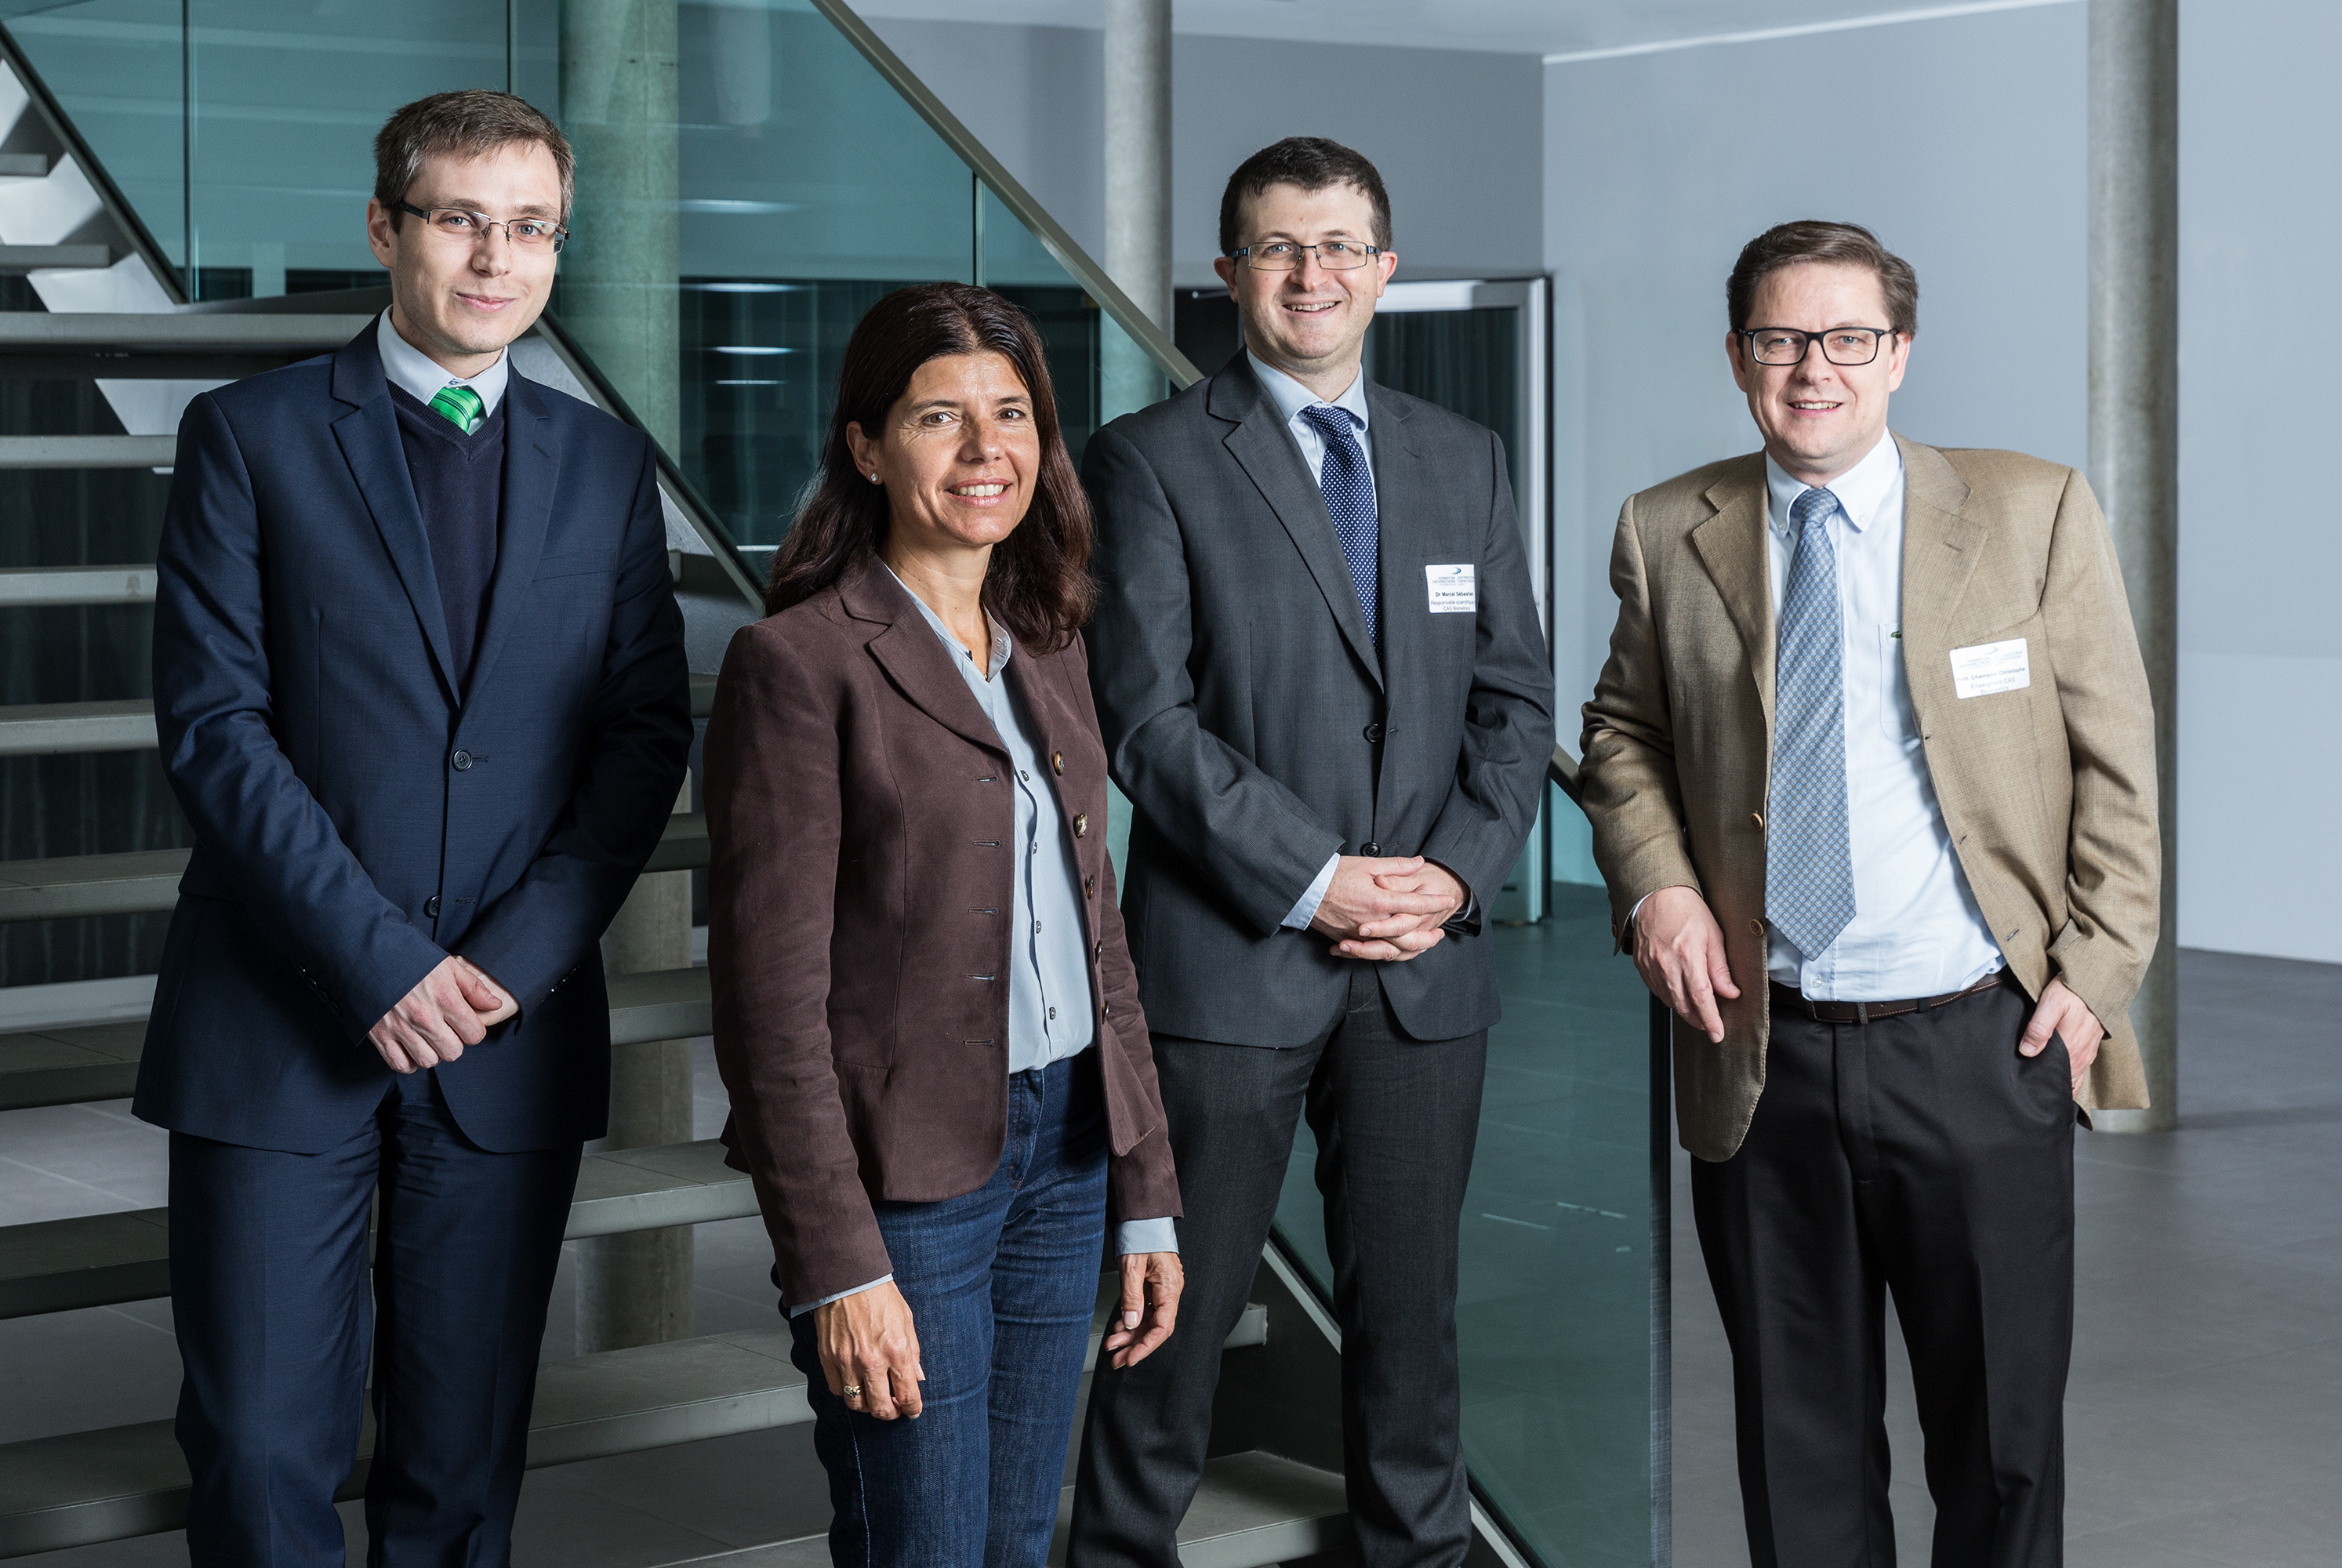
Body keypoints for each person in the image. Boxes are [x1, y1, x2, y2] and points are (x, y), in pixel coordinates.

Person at [136, 89, 692, 1564]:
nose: (496, 258)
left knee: (461, 1467)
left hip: (507, 1025)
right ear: (386, 227)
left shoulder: (604, 464)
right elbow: (215, 729)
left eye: (532, 228)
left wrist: (510, 960)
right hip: (279, 1016)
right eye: (461, 219)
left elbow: (643, 737)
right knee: (262, 1451)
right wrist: (380, 962)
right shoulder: (248, 436)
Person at [1578, 220, 2159, 1566]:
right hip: (1761, 1050)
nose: (1814, 370)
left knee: (2002, 1447)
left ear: (1899, 354)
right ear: (1738, 358)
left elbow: (2118, 765)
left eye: (1848, 338)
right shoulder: (1668, 528)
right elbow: (1623, 735)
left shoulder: (2030, 511)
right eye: (1782, 339)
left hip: (1981, 1042)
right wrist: (1658, 887)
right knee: (1801, 1460)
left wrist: (2092, 978)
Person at [1068, 138, 1556, 1568]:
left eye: (1340, 246)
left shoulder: (1463, 457)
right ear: (1230, 273)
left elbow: (1516, 700)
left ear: (1384, 270)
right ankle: (1121, 1552)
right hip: (1230, 966)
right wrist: (1316, 880)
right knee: (1175, 1308)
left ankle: (1420, 1555)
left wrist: (1452, 877)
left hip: (1422, 968)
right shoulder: (1149, 460)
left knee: (1412, 1315)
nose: (1312, 274)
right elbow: (1144, 720)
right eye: (1280, 247)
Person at [705, 281, 1182, 1568]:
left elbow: (1098, 932)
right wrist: (837, 1267)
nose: (987, 450)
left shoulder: (1049, 640)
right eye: (939, 417)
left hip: (1067, 1149)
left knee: (1016, 1543)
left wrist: (1146, 1189)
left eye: (1011, 413)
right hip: (904, 1181)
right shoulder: (799, 665)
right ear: (866, 446)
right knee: (922, 1547)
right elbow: (768, 1008)